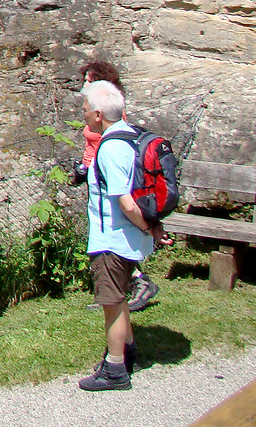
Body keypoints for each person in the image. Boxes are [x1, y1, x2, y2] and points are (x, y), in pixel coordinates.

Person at [78, 79, 170, 391]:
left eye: (87, 110)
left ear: (99, 114)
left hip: (114, 239)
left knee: (112, 302)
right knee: (119, 298)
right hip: (130, 237)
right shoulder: (133, 138)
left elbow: (127, 202)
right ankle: (127, 352)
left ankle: (115, 369)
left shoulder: (110, 148)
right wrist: (151, 229)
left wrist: (149, 229)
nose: (84, 114)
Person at [71, 61, 159, 312]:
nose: (84, 85)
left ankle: (127, 290)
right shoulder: (96, 109)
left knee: (112, 232)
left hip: (108, 175)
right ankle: (114, 294)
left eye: (89, 80)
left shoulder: (109, 113)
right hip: (96, 173)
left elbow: (107, 146)